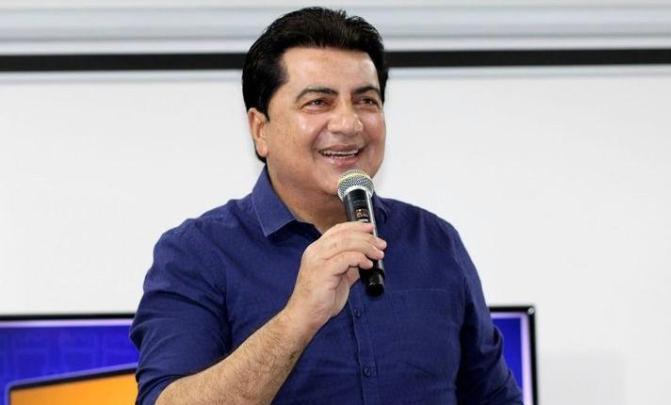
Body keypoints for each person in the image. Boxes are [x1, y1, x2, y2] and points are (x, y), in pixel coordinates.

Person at [131, 7, 523, 405]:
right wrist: (297, 318)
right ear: (260, 129)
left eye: (366, 101)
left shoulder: (434, 242)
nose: (349, 124)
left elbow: (494, 397)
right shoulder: (198, 252)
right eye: (318, 102)